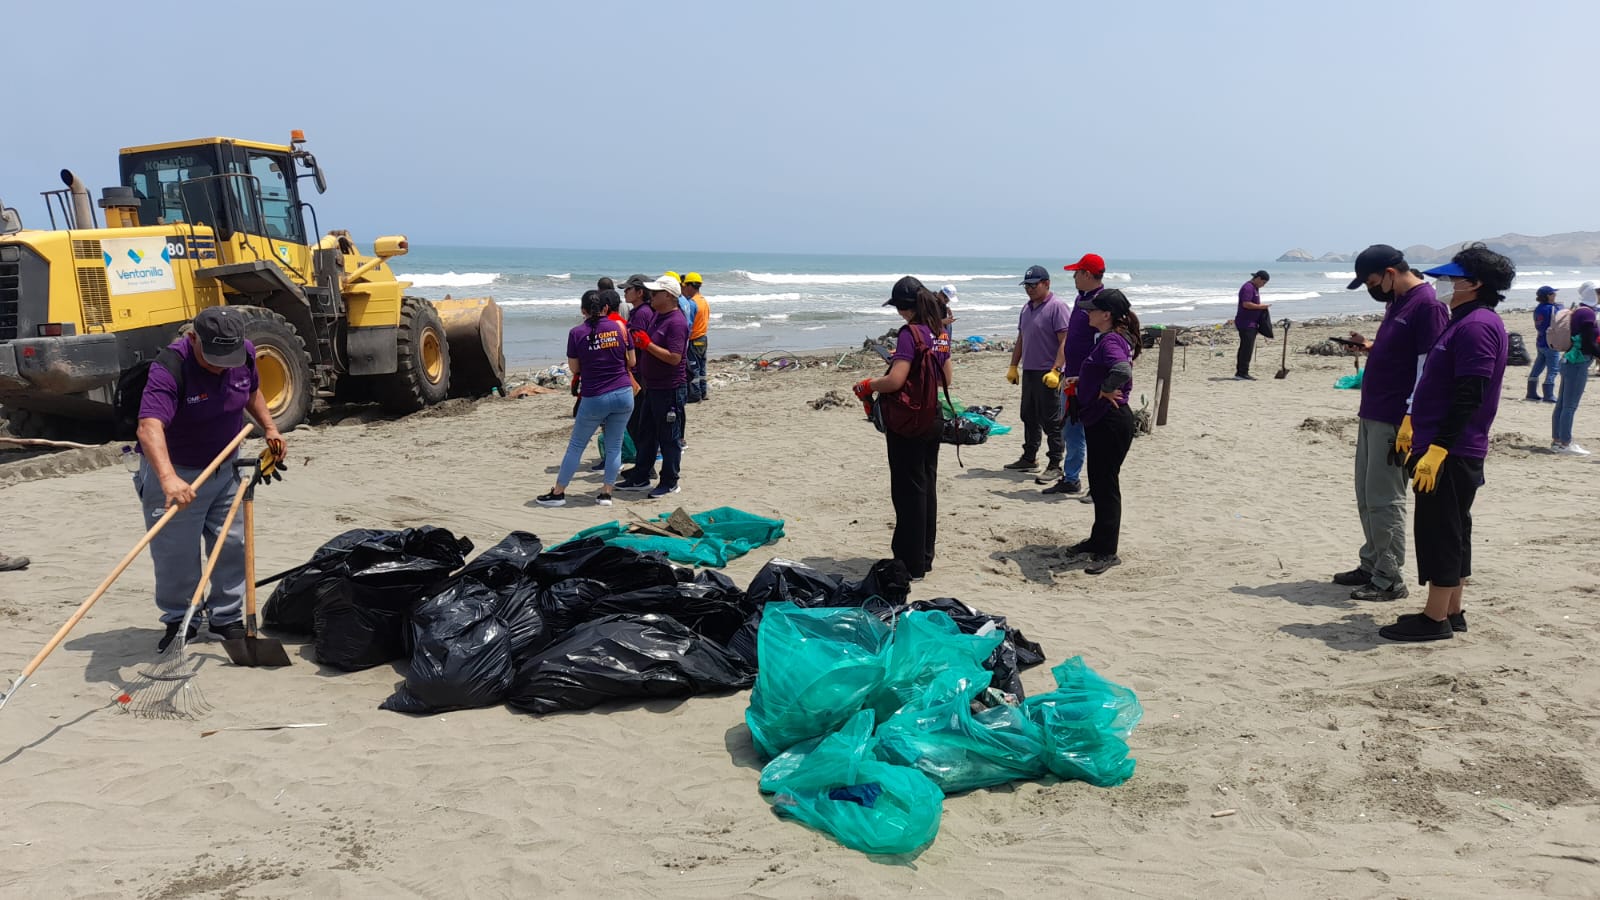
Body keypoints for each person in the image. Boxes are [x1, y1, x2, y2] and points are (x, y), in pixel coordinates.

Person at [1379, 244, 1513, 642]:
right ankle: (1452, 610)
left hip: (1451, 449)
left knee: (1440, 530)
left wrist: (1439, 447)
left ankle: (1434, 619)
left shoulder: (1477, 326)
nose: (1445, 285)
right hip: (1444, 443)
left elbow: (1470, 392)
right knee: (1454, 528)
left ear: (1474, 283)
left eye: (1454, 279)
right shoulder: (1464, 320)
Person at [136, 306, 286, 651]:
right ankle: (180, 619)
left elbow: (251, 391)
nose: (222, 365)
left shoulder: (244, 353)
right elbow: (149, 427)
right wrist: (169, 478)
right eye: (215, 357)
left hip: (227, 467)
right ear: (193, 339)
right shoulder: (169, 367)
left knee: (233, 544)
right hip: (179, 471)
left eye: (228, 356)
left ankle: (226, 617)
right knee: (176, 553)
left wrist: (270, 428)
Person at [1338, 244, 1448, 603]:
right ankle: (1371, 562)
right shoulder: (1396, 302)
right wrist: (1369, 345)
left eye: (1372, 281)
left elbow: (1428, 366)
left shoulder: (1427, 305)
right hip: (1373, 411)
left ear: (1390, 273)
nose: (1372, 288)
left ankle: (1389, 576)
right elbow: (1401, 352)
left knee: (1386, 497)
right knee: (1366, 494)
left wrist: (1412, 416)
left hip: (1396, 418)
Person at [853, 276, 953, 579]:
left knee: (908, 491)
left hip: (909, 421)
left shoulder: (910, 333)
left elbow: (895, 380)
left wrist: (867, 384)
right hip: (933, 417)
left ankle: (908, 563)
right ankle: (924, 556)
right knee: (927, 486)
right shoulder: (939, 331)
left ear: (903, 308)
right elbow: (945, 379)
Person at [1064, 289, 1140, 575]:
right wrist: (1083, 381)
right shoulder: (1112, 337)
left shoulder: (1110, 339)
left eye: (1092, 309)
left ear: (1106, 314)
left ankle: (1108, 551)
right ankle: (1098, 540)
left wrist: (1105, 390)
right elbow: (1108, 368)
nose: (1087, 313)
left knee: (1105, 485)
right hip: (1105, 420)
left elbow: (1121, 369)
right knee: (1099, 481)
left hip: (1111, 420)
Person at [538, 290, 636, 507]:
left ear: (583, 310)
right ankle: (606, 493)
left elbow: (574, 368)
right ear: (606, 309)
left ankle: (558, 492)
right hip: (623, 393)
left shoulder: (576, 333)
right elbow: (632, 361)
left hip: (595, 396)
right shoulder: (621, 328)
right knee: (614, 445)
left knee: (577, 446)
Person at [617, 275, 688, 498]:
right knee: (646, 432)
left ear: (668, 296)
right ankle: (641, 475)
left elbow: (675, 357)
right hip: (653, 386)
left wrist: (648, 345)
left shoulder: (676, 322)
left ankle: (670, 481)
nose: (651, 296)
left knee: (669, 437)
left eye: (656, 293)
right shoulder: (659, 315)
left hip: (669, 388)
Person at [1044, 253, 1108, 498]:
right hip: (1071, 377)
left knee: (1094, 434)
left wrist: (1093, 378)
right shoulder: (1081, 299)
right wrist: (1059, 367)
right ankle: (1071, 479)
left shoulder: (1102, 303)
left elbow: (1104, 342)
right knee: (1071, 430)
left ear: (1087, 274)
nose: (1073, 276)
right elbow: (1071, 338)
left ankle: (1098, 485)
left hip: (1089, 380)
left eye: (1077, 272)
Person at [1003, 265, 1069, 483]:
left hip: (1049, 372)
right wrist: (1013, 366)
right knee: (1028, 415)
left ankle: (1055, 463)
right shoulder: (1026, 308)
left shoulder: (1057, 307)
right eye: (1027, 285)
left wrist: (1056, 369)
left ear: (1046, 283)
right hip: (1030, 370)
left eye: (1034, 285)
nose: (1030, 289)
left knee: (1051, 420)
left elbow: (1065, 342)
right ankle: (1030, 457)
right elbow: (1022, 338)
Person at [1552, 283, 1600, 455]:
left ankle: (1558, 441)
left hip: (1570, 360)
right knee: (1569, 406)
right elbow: (1588, 343)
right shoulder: (1587, 313)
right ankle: (1565, 443)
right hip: (1578, 361)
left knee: (1562, 404)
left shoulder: (1578, 310)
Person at [1234, 271, 1272, 380]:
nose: (1263, 285)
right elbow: (1246, 304)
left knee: (1248, 348)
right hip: (1245, 322)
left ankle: (1243, 371)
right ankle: (1241, 372)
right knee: (1246, 348)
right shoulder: (1248, 287)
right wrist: (1261, 307)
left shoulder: (1255, 288)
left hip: (1252, 323)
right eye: (1263, 282)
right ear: (1258, 278)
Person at [1526, 285, 1561, 402]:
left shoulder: (1538, 309)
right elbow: (1560, 321)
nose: (1555, 295)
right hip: (1551, 342)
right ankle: (1549, 394)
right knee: (1553, 369)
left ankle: (1531, 392)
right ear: (1548, 296)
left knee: (1538, 366)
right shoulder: (1552, 309)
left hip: (1540, 341)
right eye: (1553, 294)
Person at [683, 273, 711, 402]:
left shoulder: (692, 303)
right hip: (703, 338)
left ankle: (695, 395)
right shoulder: (703, 300)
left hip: (694, 339)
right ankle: (704, 392)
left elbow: (689, 322)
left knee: (693, 368)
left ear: (690, 286)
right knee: (702, 368)